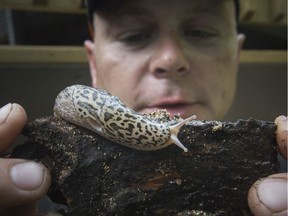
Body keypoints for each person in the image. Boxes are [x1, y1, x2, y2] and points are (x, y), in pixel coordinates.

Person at [0, 0, 287, 215]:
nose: (170, 59)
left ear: (237, 55)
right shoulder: (44, 190)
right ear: (93, 62)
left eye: (200, 32)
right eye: (134, 36)